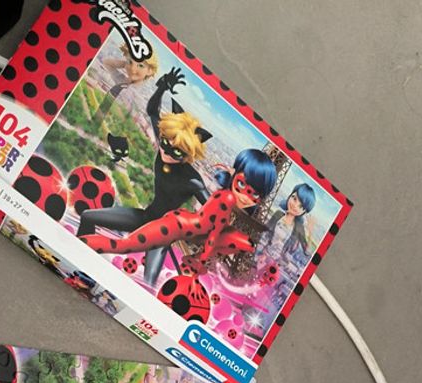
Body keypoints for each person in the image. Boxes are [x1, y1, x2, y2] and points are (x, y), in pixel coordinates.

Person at [78, 67, 212, 285]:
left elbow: (212, 212)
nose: (166, 151)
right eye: (165, 143)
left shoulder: (193, 179)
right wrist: (161, 87)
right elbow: (152, 111)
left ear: (188, 155)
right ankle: (81, 259)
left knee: (149, 281)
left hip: (163, 234)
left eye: (177, 152)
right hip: (145, 217)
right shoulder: (165, 146)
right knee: (88, 217)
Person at [82, 147, 277, 272]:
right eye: (242, 185)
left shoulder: (225, 196)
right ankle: (79, 245)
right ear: (235, 175)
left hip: (185, 228)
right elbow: (214, 235)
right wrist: (201, 259)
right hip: (174, 227)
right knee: (121, 245)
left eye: (255, 195)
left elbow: (219, 234)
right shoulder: (227, 198)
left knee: (246, 243)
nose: (245, 197)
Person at [93, 43, 160, 121]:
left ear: (149, 71)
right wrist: (125, 64)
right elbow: (106, 62)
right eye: (130, 62)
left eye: (141, 65)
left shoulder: (138, 95)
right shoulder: (121, 80)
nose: (132, 69)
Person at [264, 182, 316, 262]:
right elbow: (264, 231)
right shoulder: (278, 214)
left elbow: (307, 251)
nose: (295, 205)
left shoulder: (299, 228)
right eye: (294, 199)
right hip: (264, 252)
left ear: (304, 212)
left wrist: (310, 231)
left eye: (300, 206)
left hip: (278, 262)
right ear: (290, 195)